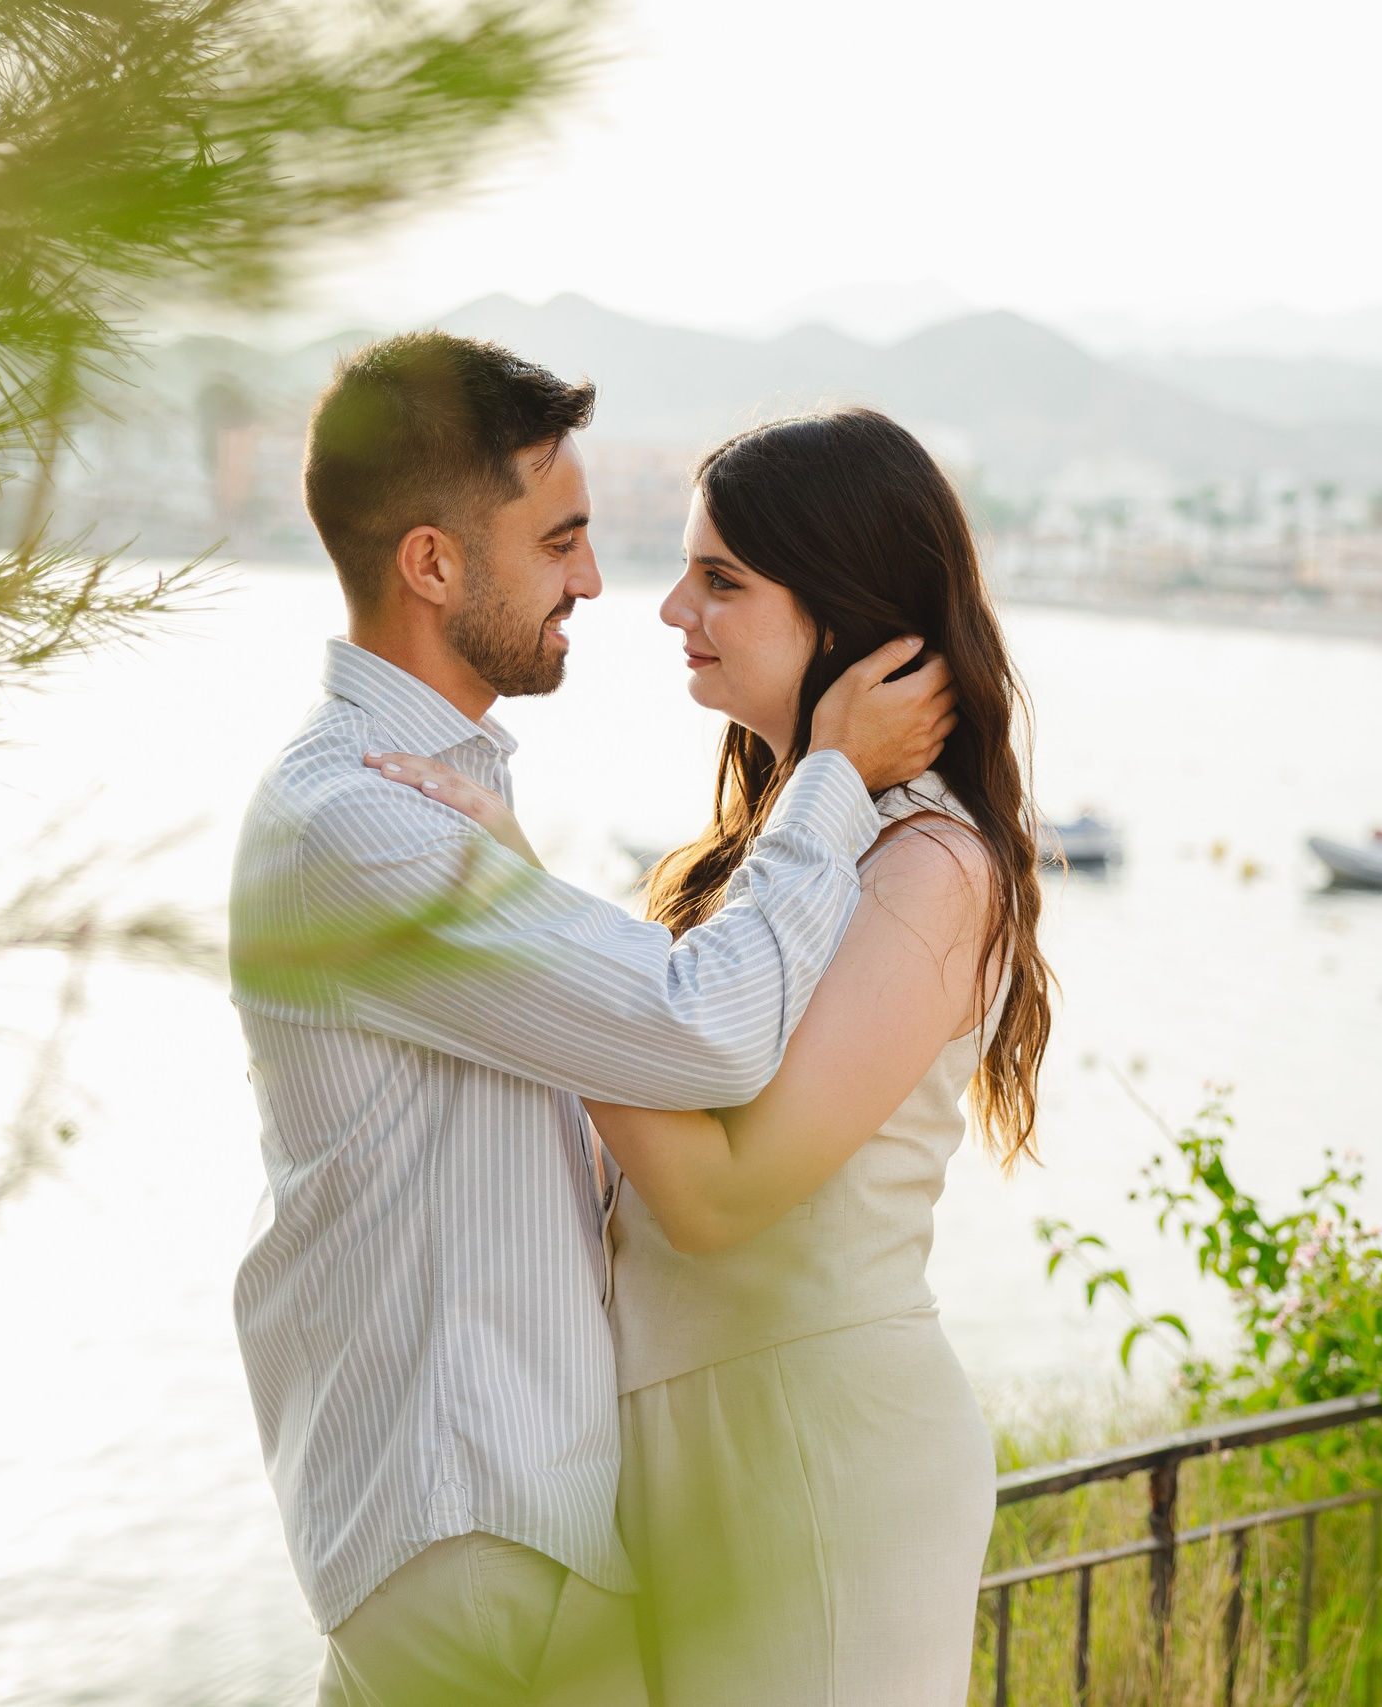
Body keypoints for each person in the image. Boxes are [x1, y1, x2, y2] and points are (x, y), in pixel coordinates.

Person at [227, 336, 956, 1707]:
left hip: (490, 1528)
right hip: (480, 1523)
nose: (600, 582)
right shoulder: (365, 821)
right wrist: (836, 783)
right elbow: (706, 1033)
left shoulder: (413, 810)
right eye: (562, 538)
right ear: (435, 565)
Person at [369, 408, 1052, 1706]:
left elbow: (721, 1196)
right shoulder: (767, 857)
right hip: (683, 1443)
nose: (674, 603)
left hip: (817, 1449)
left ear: (849, 611)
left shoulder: (933, 866)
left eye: (723, 578)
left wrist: (527, 929)